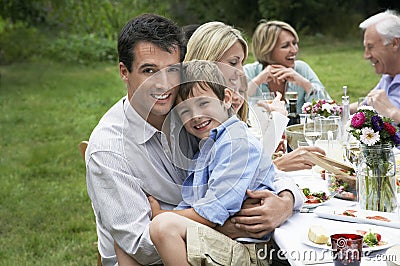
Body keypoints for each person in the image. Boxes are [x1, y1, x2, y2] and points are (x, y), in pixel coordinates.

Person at [85, 14, 304, 266]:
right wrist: (231, 227)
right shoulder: (109, 150)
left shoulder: (194, 117)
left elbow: (265, 168)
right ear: (124, 72)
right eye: (149, 70)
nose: (164, 84)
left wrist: (286, 202)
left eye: (172, 71)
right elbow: (140, 248)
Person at [148, 60, 276, 265]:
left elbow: (211, 212)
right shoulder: (210, 145)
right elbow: (194, 201)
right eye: (185, 111)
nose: (196, 116)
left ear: (226, 98)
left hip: (247, 251)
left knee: (163, 226)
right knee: (132, 240)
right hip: (223, 242)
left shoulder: (237, 143)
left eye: (203, 103)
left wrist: (162, 214)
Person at [185, 21, 326, 172]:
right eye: (233, 62)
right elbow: (224, 178)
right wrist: (276, 162)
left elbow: (245, 160)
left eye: (241, 62)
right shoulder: (199, 111)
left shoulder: (227, 101)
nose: (240, 71)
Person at [244, 20, 331, 114]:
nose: (294, 50)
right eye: (285, 46)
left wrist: (305, 84)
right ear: (267, 49)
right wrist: (257, 81)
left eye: (294, 43)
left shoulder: (302, 69)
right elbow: (235, 107)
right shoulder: (250, 71)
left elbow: (329, 109)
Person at [349, 10, 400, 115]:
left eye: (370, 47)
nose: (366, 56)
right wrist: (335, 109)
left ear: (394, 44)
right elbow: (366, 105)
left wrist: (393, 114)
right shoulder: (388, 76)